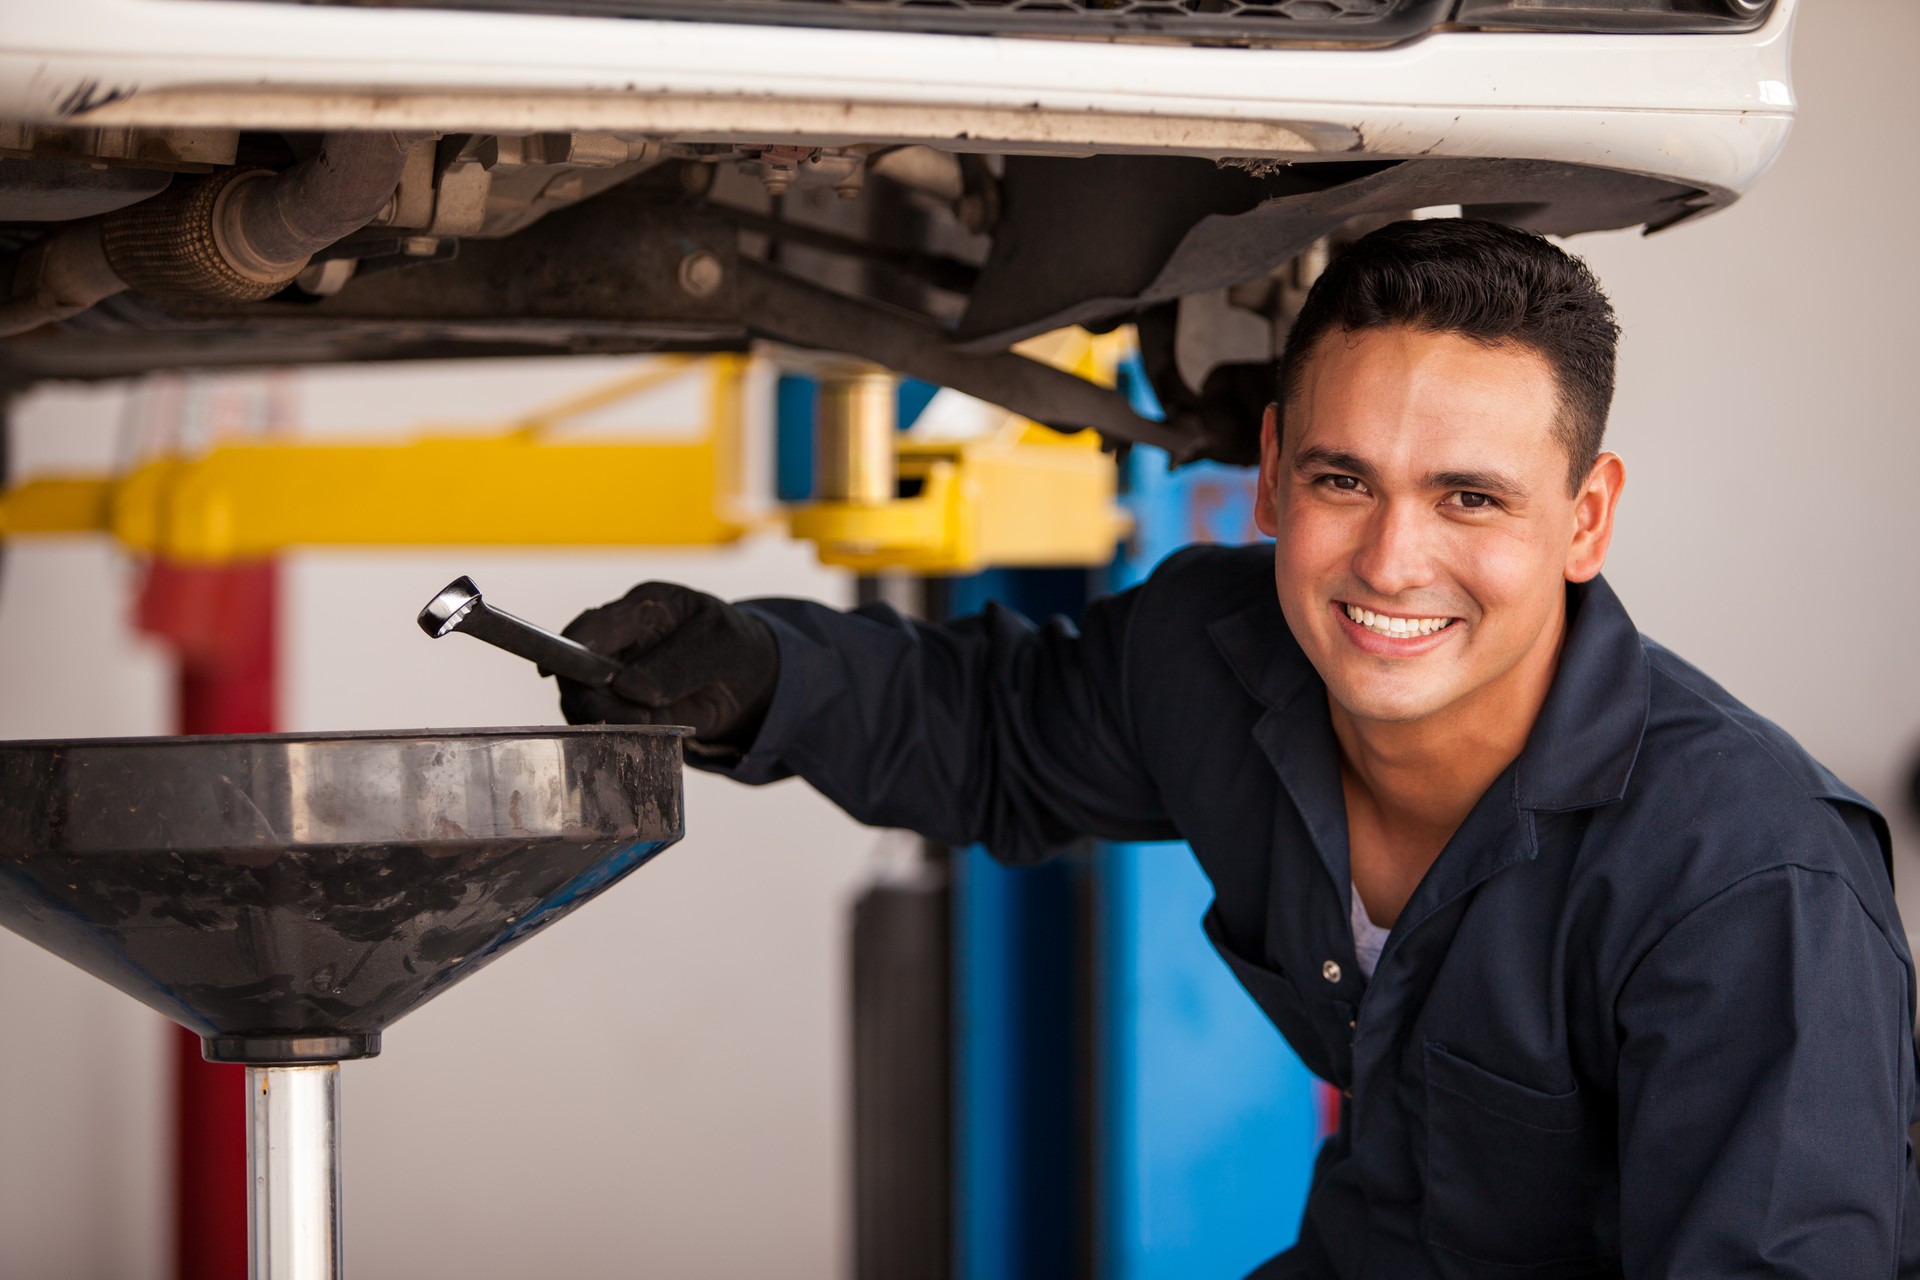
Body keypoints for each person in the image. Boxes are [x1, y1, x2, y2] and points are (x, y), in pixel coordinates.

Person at [557, 219, 1920, 1278]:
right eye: (1344, 481)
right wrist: (758, 674)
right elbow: (992, 732)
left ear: (1584, 519)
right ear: (1270, 473)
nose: (1394, 560)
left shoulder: (1748, 891)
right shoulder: (1217, 660)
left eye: (1471, 498)